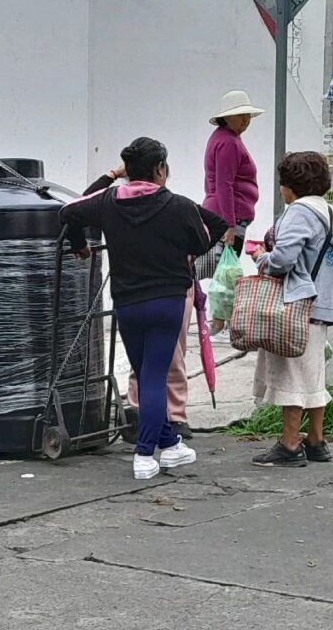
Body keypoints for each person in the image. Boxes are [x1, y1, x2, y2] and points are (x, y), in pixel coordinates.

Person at [62, 138, 228, 480]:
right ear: (160, 170)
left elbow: (69, 210)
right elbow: (208, 234)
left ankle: (169, 444)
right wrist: (189, 250)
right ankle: (144, 454)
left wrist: (80, 246)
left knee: (145, 372)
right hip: (167, 303)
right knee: (155, 375)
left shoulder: (108, 202)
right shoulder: (179, 205)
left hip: (127, 303)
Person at [79, 165, 195, 443]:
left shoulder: (171, 205)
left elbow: (77, 206)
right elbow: (83, 202)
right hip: (159, 291)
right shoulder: (119, 204)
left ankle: (169, 420)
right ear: (161, 170)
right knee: (148, 362)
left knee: (165, 358)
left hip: (157, 290)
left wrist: (112, 174)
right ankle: (155, 425)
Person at [249, 152, 333, 468]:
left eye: (283, 184)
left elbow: (282, 261)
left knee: (291, 375)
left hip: (297, 305)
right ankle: (316, 440)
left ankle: (290, 444)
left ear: (292, 185)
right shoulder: (331, 214)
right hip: (323, 304)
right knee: (312, 374)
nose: (281, 190)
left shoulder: (299, 212)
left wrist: (261, 257)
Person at [202, 90, 265, 342]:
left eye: (247, 116)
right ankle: (219, 323)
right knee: (224, 272)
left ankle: (220, 322)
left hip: (227, 214)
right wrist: (229, 224)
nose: (245, 120)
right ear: (227, 118)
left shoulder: (224, 138)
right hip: (229, 216)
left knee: (223, 270)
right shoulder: (228, 142)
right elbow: (225, 184)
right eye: (240, 116)